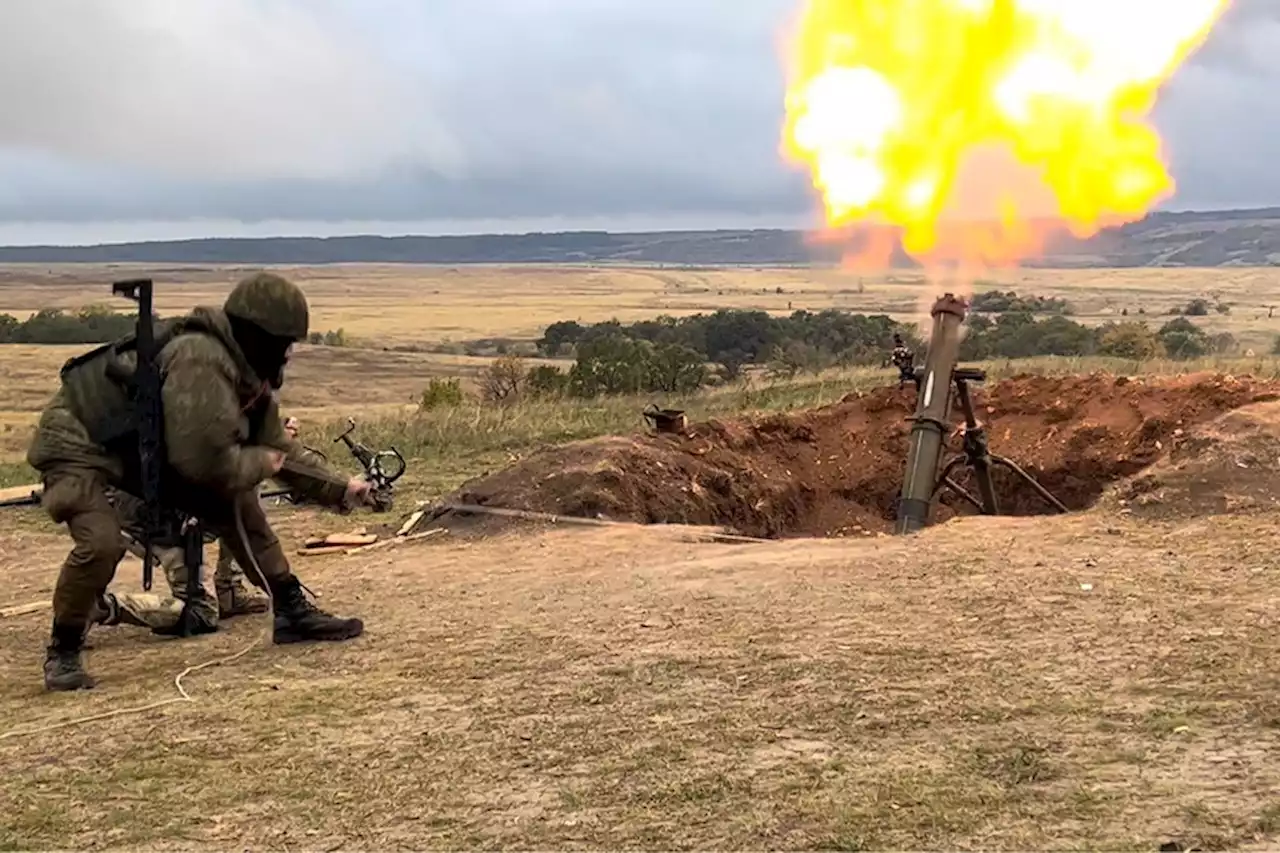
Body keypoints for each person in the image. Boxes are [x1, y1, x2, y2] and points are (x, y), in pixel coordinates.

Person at [28, 271, 376, 691]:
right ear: (258, 335)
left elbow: (280, 448)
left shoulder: (245, 371)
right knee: (101, 541)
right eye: (284, 343)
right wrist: (264, 462)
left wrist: (342, 488)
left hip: (138, 446)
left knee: (236, 503)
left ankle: (291, 610)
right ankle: (62, 651)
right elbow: (204, 464)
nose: (287, 354)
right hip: (78, 439)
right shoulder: (201, 359)